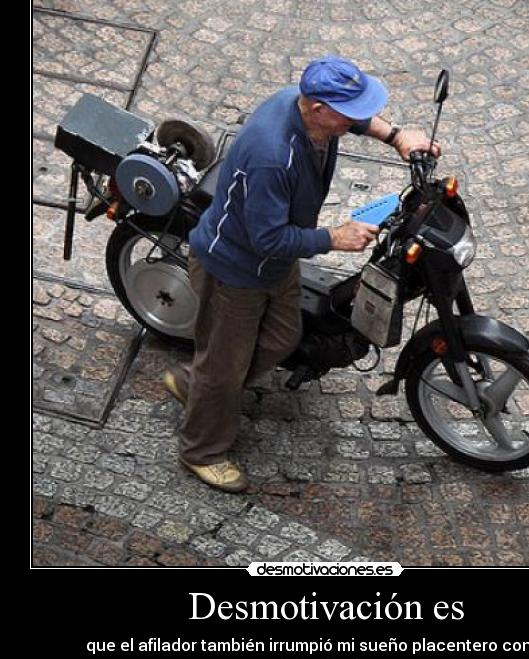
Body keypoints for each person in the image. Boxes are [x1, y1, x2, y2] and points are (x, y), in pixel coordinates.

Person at [164, 55, 440, 492]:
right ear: (319, 110)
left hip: (271, 265)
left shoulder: (305, 107)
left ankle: (193, 383)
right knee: (225, 368)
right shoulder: (273, 156)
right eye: (348, 110)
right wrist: (334, 238)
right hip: (235, 271)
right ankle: (201, 449)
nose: (355, 117)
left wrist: (396, 135)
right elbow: (267, 240)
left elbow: (358, 120)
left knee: (280, 339)